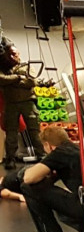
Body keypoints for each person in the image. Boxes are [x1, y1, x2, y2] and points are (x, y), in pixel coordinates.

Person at [0, 41, 42, 170]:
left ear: (18, 53)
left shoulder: (27, 66)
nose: (12, 56)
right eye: (10, 54)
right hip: (11, 104)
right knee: (11, 133)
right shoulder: (3, 68)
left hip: (27, 102)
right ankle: (10, 158)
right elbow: (1, 79)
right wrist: (18, 78)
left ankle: (42, 156)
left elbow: (32, 82)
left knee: (35, 131)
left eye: (14, 54)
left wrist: (11, 81)